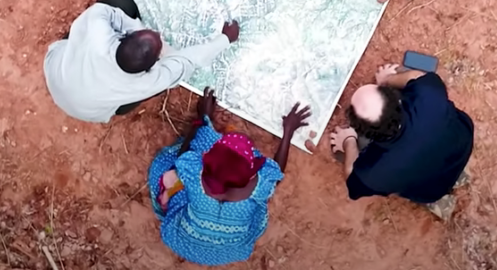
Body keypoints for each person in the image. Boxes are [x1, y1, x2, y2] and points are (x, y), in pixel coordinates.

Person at [148, 88, 312, 266]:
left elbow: (183, 156)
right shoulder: (257, 185)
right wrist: (288, 132)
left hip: (181, 241)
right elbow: (276, 174)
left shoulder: (196, 177)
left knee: (194, 147)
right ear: (250, 176)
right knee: (256, 209)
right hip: (229, 252)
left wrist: (202, 119)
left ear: (207, 166)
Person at [42, 0, 239, 123]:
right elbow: (190, 60)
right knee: (161, 86)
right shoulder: (148, 82)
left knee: (120, 3)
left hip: (57, 72)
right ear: (152, 66)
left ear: (123, 38)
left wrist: (141, 32)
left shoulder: (98, 29)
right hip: (85, 110)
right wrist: (225, 39)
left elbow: (104, 12)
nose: (158, 34)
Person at [329, 63, 473, 220]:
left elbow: (352, 180)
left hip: (431, 190)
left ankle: (436, 198)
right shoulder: (429, 95)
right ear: (397, 100)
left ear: (362, 131)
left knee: (352, 155)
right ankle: (457, 175)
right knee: (408, 78)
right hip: (461, 149)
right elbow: (416, 76)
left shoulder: (374, 173)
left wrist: (349, 139)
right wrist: (387, 80)